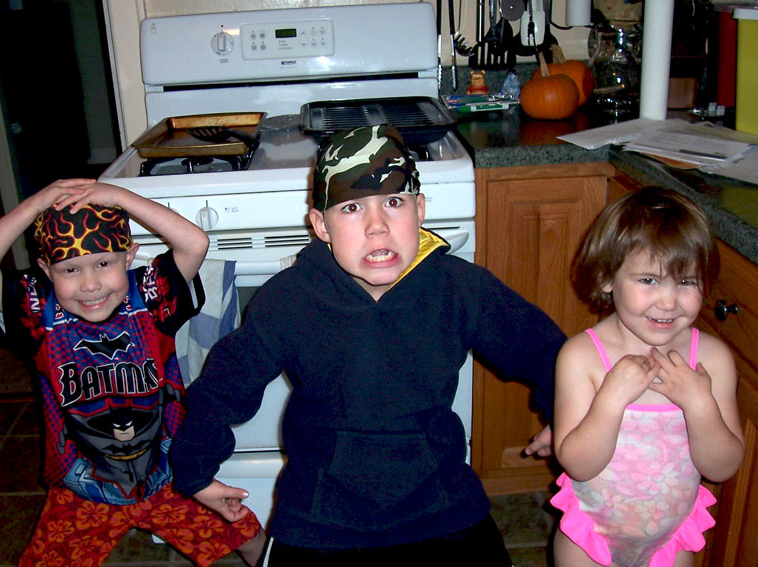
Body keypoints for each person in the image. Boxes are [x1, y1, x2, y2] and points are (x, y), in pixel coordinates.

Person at [168, 125, 566, 566]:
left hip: (441, 503)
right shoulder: (289, 299)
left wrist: (564, 415)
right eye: (352, 207)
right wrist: (195, 469)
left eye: (394, 203)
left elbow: (545, 350)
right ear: (321, 225)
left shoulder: (460, 288)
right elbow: (226, 382)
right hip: (320, 516)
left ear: (419, 210)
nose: (377, 227)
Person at [0, 179, 265, 567]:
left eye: (104, 263)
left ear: (129, 256)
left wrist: (119, 196)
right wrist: (35, 205)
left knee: (245, 532)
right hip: (82, 488)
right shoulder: (38, 313)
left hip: (169, 474)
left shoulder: (151, 299)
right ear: (46, 271)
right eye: (70, 269)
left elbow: (194, 244)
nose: (90, 284)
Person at [550, 187, 745, 567]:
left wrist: (699, 403)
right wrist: (611, 399)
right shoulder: (582, 357)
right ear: (607, 277)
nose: (669, 301)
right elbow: (577, 463)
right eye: (649, 281)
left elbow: (721, 468)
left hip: (670, 542)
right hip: (589, 539)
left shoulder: (713, 359)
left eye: (686, 282)